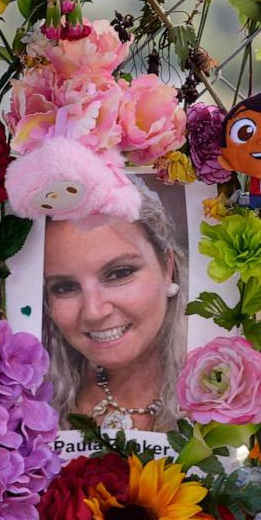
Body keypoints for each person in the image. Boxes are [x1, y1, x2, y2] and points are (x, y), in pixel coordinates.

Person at [42, 180, 186, 432]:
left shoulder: (229, 387)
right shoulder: (34, 399)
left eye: (119, 273)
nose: (94, 312)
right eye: (64, 287)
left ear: (167, 268)